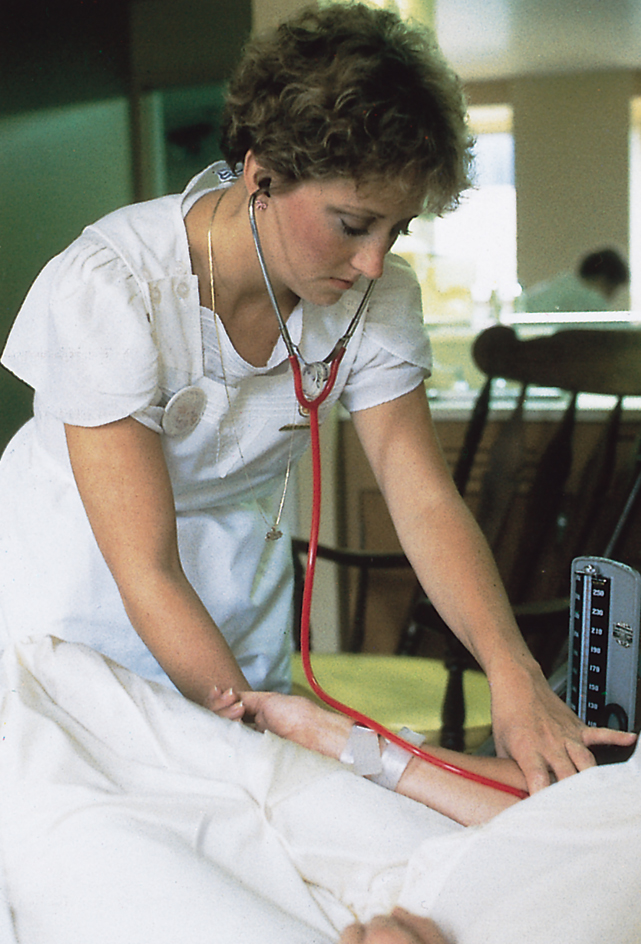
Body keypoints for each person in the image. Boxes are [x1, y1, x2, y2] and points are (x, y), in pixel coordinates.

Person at [0, 2, 630, 795]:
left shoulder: (373, 293)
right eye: (352, 224)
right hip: (80, 594)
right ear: (261, 174)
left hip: (231, 592)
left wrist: (513, 673)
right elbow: (146, 570)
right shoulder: (113, 287)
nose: (373, 263)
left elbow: (421, 493)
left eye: (396, 231)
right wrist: (260, 753)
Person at [516, 247, 629, 313]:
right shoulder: (589, 299)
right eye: (611, 290)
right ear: (601, 280)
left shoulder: (564, 283)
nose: (610, 298)